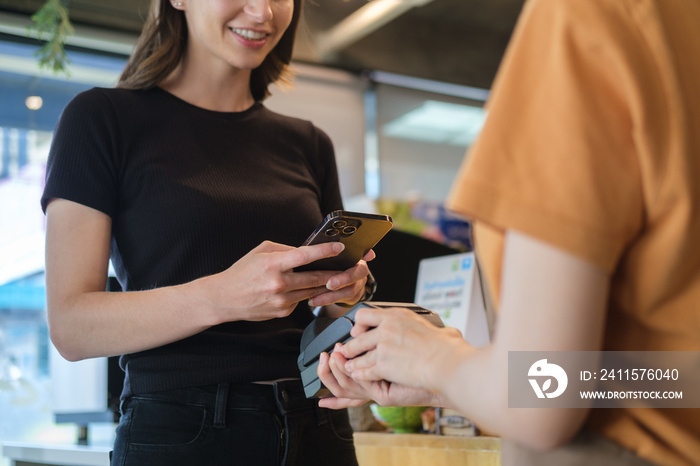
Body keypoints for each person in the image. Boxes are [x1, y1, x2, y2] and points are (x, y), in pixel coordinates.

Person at [317, 0, 700, 465]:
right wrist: (457, 379)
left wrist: (434, 354)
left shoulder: (589, 17)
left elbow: (547, 392)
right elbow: (675, 378)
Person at [40, 0, 372, 464]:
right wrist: (223, 296)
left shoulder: (309, 143)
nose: (263, 12)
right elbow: (72, 328)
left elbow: (326, 317)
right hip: (182, 431)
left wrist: (344, 293)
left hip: (318, 425)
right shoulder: (101, 119)